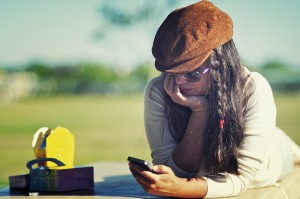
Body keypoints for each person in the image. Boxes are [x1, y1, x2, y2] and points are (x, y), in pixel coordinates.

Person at [128, 0, 300, 198]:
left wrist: (179, 188)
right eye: (172, 72)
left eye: (192, 72)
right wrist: (200, 111)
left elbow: (241, 178)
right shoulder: (158, 90)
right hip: (210, 168)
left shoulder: (252, 87)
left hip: (273, 152)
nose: (180, 80)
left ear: (220, 62)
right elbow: (175, 173)